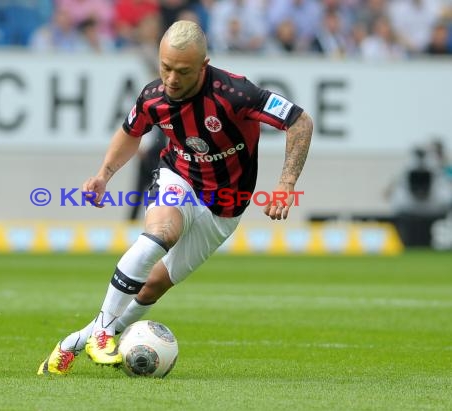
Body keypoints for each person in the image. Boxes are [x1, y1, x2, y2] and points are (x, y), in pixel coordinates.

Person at [37, 20, 313, 375]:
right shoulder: (153, 97)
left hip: (224, 210)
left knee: (151, 286)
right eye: (165, 67)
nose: (170, 79)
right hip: (178, 178)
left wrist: (286, 182)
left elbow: (300, 121)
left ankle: (72, 344)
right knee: (160, 234)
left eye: (182, 72)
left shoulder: (236, 94)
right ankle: (103, 333)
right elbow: (130, 132)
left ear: (204, 65)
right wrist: (104, 174)